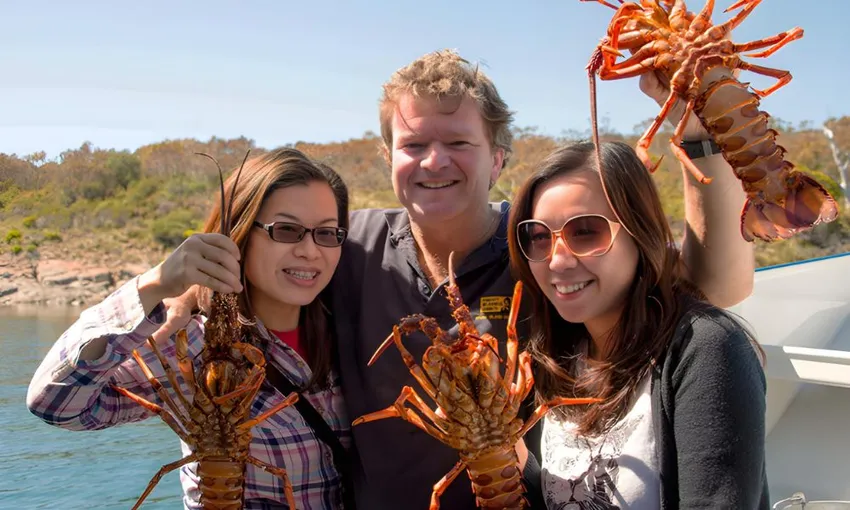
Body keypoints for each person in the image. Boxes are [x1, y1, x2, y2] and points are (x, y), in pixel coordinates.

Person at [157, 49, 757, 509]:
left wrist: (699, 134)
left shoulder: (539, 248)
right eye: (413, 143)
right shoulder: (343, 243)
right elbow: (265, 261)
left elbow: (707, 291)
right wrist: (190, 289)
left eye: (459, 143)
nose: (435, 161)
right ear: (387, 156)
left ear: (498, 157)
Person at [26, 148, 353, 509]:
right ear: (241, 235)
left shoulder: (353, 328)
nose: (310, 251)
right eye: (287, 230)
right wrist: (153, 286)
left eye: (327, 233)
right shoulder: (189, 344)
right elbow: (55, 405)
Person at [507, 140, 768, 509]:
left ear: (638, 232)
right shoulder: (553, 361)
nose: (558, 261)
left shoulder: (706, 349)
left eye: (585, 231)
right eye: (538, 237)